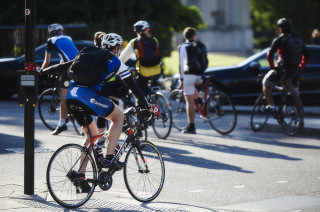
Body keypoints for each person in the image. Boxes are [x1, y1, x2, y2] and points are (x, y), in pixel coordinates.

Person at [41, 33, 155, 183]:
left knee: (92, 136)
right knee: (118, 116)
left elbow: (63, 66)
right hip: (87, 97)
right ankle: (109, 158)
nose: (119, 51)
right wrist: (148, 106)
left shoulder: (88, 55)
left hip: (71, 97)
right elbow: (133, 86)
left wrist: (41, 71)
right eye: (119, 49)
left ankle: (80, 176)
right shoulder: (114, 61)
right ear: (116, 48)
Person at [262, 18, 310, 126]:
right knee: (295, 95)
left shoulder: (279, 39)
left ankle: (272, 106)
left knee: (266, 82)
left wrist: (272, 67)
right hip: (294, 72)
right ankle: (301, 119)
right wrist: (300, 67)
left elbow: (269, 55)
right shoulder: (299, 39)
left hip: (282, 71)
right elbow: (307, 55)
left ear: (280, 29)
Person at [41, 23, 79, 135]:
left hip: (69, 70)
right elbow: (65, 57)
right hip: (79, 66)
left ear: (51, 32)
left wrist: (41, 72)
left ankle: (62, 123)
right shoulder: (68, 38)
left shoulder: (51, 41)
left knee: (63, 100)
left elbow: (46, 62)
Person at [119, 20, 162, 97]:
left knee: (138, 92)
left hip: (143, 73)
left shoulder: (134, 42)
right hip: (157, 72)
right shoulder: (155, 40)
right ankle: (156, 100)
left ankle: (141, 106)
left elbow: (122, 59)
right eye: (148, 30)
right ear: (146, 30)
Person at [178, 27, 208, 134]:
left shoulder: (183, 47)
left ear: (185, 36)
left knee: (189, 101)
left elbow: (181, 64)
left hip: (189, 76)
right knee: (192, 87)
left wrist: (181, 79)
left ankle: (191, 126)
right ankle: (200, 100)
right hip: (200, 75)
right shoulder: (199, 46)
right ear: (194, 36)